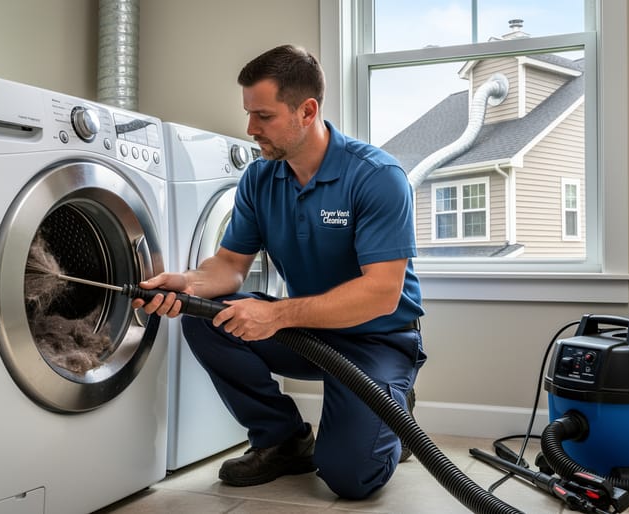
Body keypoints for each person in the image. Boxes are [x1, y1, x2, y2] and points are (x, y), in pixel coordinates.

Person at [133, 44, 425, 501]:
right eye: (249, 114)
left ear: (306, 111)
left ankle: (395, 418)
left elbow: (381, 294)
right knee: (205, 318)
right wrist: (186, 283)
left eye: (263, 116)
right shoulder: (259, 179)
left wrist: (278, 315)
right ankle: (283, 439)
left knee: (349, 479)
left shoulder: (376, 177)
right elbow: (229, 267)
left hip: (377, 340)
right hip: (309, 332)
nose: (250, 129)